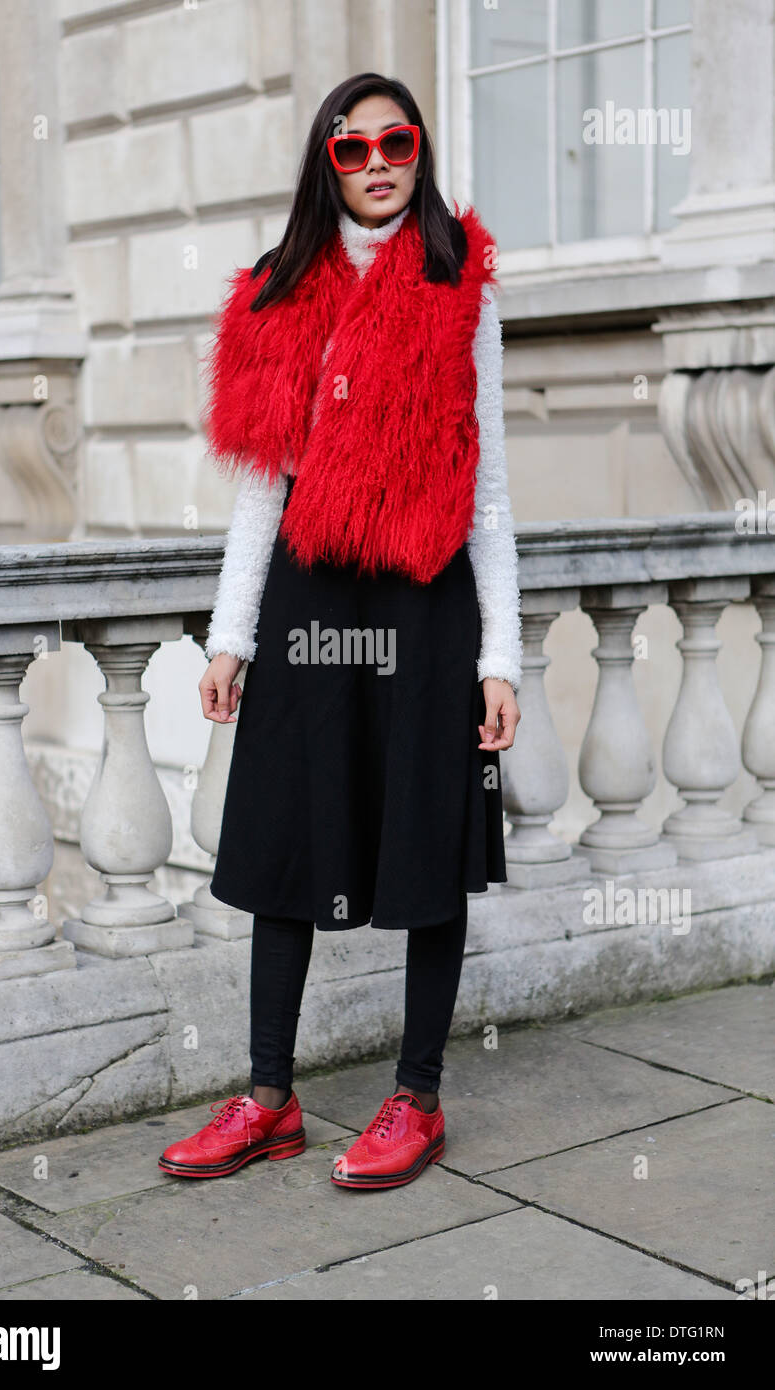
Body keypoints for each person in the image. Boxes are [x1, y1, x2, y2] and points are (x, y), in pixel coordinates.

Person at [159, 72, 522, 1191]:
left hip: (423, 599)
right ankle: (269, 1098)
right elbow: (259, 493)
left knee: (424, 835)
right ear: (325, 163)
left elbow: (491, 491)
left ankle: (416, 1099)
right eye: (349, 148)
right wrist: (232, 639)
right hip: (311, 596)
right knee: (281, 840)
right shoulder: (281, 295)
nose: (374, 162)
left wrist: (497, 655)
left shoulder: (461, 286)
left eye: (393, 141)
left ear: (418, 152)